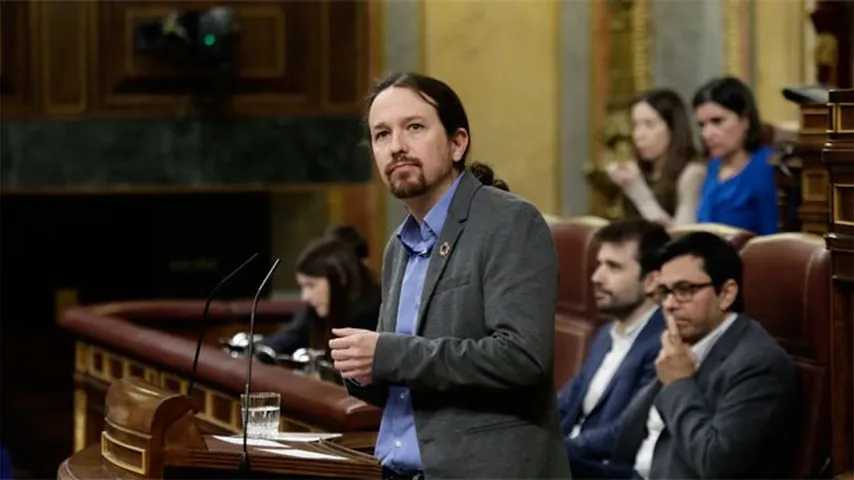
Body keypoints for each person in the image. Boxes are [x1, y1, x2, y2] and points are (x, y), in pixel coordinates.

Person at [328, 72, 570, 478]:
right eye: (381, 135)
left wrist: (387, 355)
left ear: (458, 143)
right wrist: (361, 369)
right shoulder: (397, 246)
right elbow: (406, 379)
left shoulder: (509, 221)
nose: (397, 147)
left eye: (415, 128)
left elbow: (522, 358)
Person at [611, 232, 796, 478]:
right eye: (665, 292)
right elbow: (624, 441)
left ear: (726, 293)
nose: (669, 304)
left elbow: (716, 463)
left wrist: (678, 382)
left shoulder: (759, 364)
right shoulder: (683, 345)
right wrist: (665, 374)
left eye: (685, 289)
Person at [557, 219, 670, 478]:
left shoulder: (664, 342)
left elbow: (626, 431)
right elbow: (566, 404)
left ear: (652, 280)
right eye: (599, 264)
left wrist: (554, 450)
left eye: (614, 267)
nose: (596, 277)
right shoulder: (606, 332)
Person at [261, 228, 380, 355]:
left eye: (311, 286)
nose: (305, 297)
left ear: (340, 278)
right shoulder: (315, 312)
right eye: (302, 287)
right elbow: (286, 339)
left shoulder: (373, 314)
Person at [607, 89, 706, 226]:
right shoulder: (640, 169)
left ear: (673, 127)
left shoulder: (692, 173)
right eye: (635, 125)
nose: (638, 135)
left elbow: (681, 238)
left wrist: (638, 191)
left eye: (649, 124)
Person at [693, 77, 779, 234]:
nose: (706, 134)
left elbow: (771, 239)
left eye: (717, 121)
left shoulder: (768, 166)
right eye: (701, 125)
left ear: (745, 120)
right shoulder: (712, 166)